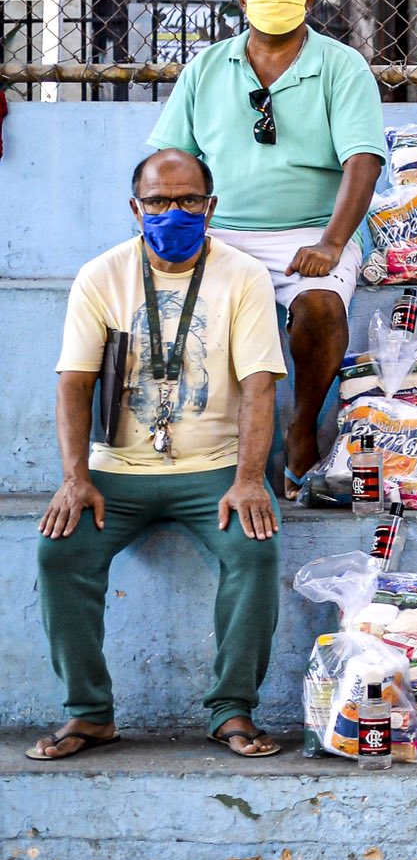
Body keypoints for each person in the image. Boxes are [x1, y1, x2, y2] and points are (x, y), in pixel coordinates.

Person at [29, 149, 289, 761]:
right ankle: (89, 713)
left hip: (216, 468)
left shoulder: (243, 275)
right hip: (118, 468)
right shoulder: (101, 276)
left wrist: (250, 478)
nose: (173, 212)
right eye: (158, 202)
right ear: (134, 208)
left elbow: (259, 385)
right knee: (59, 551)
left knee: (255, 550)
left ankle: (231, 710)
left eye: (189, 201)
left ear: (210, 206)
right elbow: (74, 382)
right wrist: (75, 478)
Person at [147, 0, 385, 492]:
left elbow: (364, 161)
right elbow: (173, 159)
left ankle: (302, 427)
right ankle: (189, 446)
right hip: (222, 235)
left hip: (313, 232)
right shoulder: (206, 68)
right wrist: (176, 225)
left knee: (321, 306)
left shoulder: (341, 66)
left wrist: (331, 243)